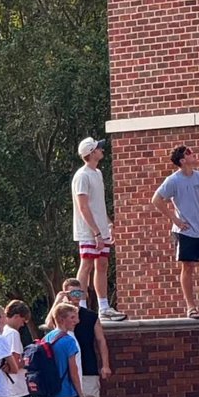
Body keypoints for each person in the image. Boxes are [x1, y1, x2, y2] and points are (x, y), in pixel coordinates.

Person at [152, 145, 199, 319]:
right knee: (187, 266)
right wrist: (176, 220)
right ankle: (191, 306)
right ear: (182, 160)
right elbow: (157, 200)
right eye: (189, 153)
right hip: (184, 231)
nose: (193, 154)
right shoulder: (173, 180)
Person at [72, 137, 126, 323]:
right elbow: (83, 206)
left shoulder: (98, 173)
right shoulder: (82, 175)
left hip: (101, 228)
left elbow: (97, 205)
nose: (101, 150)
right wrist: (95, 231)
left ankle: (103, 306)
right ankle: (80, 305)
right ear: (91, 152)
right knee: (86, 264)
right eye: (98, 148)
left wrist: (108, 224)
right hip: (88, 229)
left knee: (102, 264)